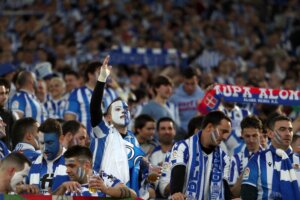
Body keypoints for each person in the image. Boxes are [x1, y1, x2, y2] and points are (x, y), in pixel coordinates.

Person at [89, 56, 150, 198]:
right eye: (117, 109)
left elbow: (137, 170)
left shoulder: (133, 139)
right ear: (108, 117)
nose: (123, 111)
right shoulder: (103, 132)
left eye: (126, 109)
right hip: (99, 193)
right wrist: (102, 78)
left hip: (126, 194)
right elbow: (94, 108)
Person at [170, 110, 232, 200]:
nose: (225, 137)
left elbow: (224, 186)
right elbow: (178, 171)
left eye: (227, 133)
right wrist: (176, 192)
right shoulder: (183, 147)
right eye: (223, 131)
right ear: (209, 127)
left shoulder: (224, 157)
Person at [241, 115, 300, 200]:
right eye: (282, 129)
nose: (288, 133)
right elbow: (247, 194)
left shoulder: (298, 160)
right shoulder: (257, 159)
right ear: (270, 134)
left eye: (290, 130)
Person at [54, 145, 137, 198]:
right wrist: (63, 187)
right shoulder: (66, 181)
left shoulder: (104, 177)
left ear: (86, 165)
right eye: (66, 166)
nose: (67, 170)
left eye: (72, 166)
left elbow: (133, 194)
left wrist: (107, 190)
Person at [64, 61, 117, 135]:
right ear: (90, 75)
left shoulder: (112, 92)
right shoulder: (77, 93)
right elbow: (69, 116)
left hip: (109, 138)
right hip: (86, 139)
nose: (104, 75)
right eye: (100, 72)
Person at [27, 118, 66, 194]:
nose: (45, 149)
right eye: (42, 143)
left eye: (49, 143)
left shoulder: (75, 161)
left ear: (61, 139)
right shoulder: (31, 163)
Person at [229, 115, 263, 197]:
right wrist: (247, 172)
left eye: (254, 135)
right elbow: (233, 193)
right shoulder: (235, 159)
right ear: (242, 134)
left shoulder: (271, 156)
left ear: (260, 133)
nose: (251, 140)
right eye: (247, 136)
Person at [169, 67, 204, 135]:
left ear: (197, 81)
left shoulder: (203, 96)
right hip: (180, 133)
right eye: (187, 84)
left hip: (198, 131)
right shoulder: (174, 97)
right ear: (183, 81)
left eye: (193, 84)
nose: (189, 87)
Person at [0, 78, 17, 149]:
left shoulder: (9, 115)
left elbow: (15, 141)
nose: (5, 97)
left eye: (5, 93)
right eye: (1, 94)